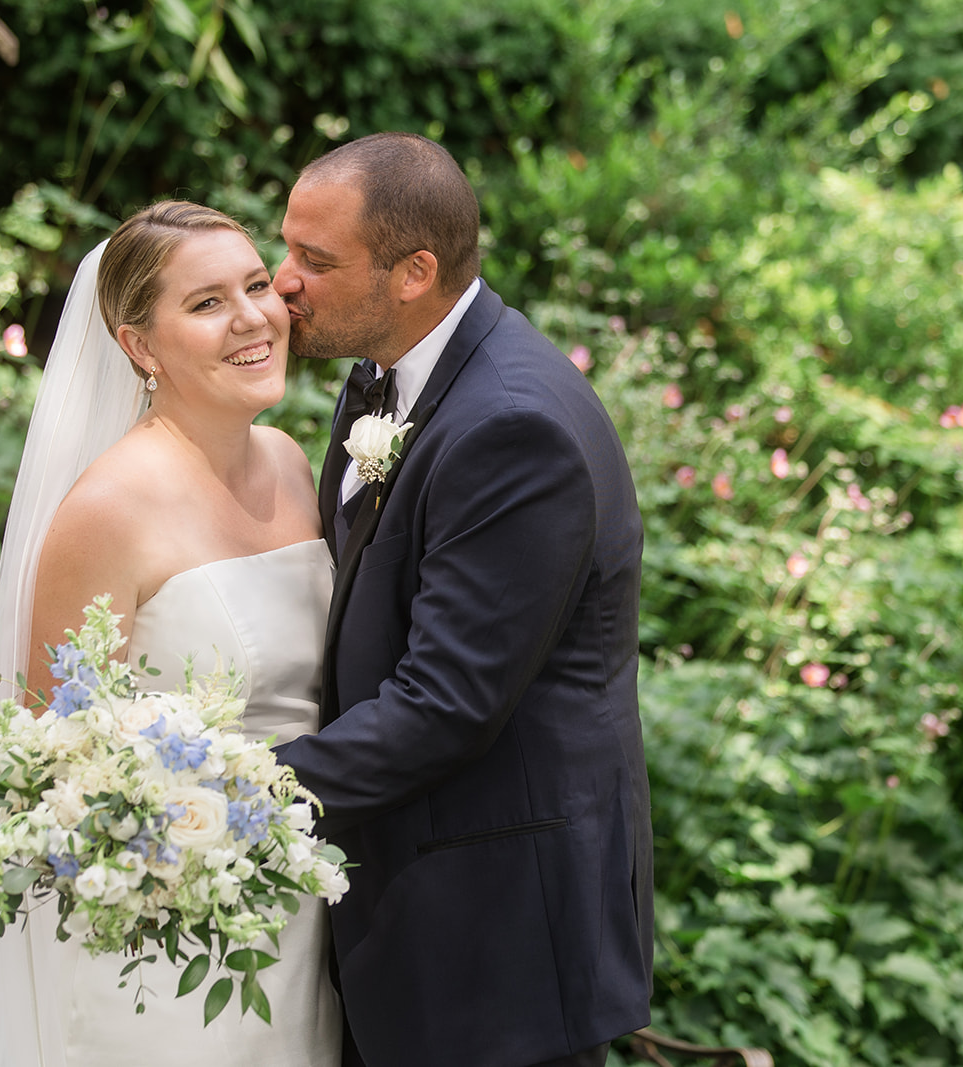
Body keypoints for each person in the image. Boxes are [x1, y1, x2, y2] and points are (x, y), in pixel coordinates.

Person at [0, 201, 340, 1067]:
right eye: (205, 303)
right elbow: (52, 761)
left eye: (257, 285)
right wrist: (166, 864)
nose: (253, 317)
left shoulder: (294, 464)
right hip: (174, 936)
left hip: (307, 913)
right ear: (139, 346)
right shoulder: (109, 510)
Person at [273, 132, 654, 1067]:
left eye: (315, 261)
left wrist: (235, 791)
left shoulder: (512, 425)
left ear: (415, 271)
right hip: (409, 916)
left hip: (495, 947)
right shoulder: (386, 373)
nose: (283, 282)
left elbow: (445, 705)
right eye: (287, 248)